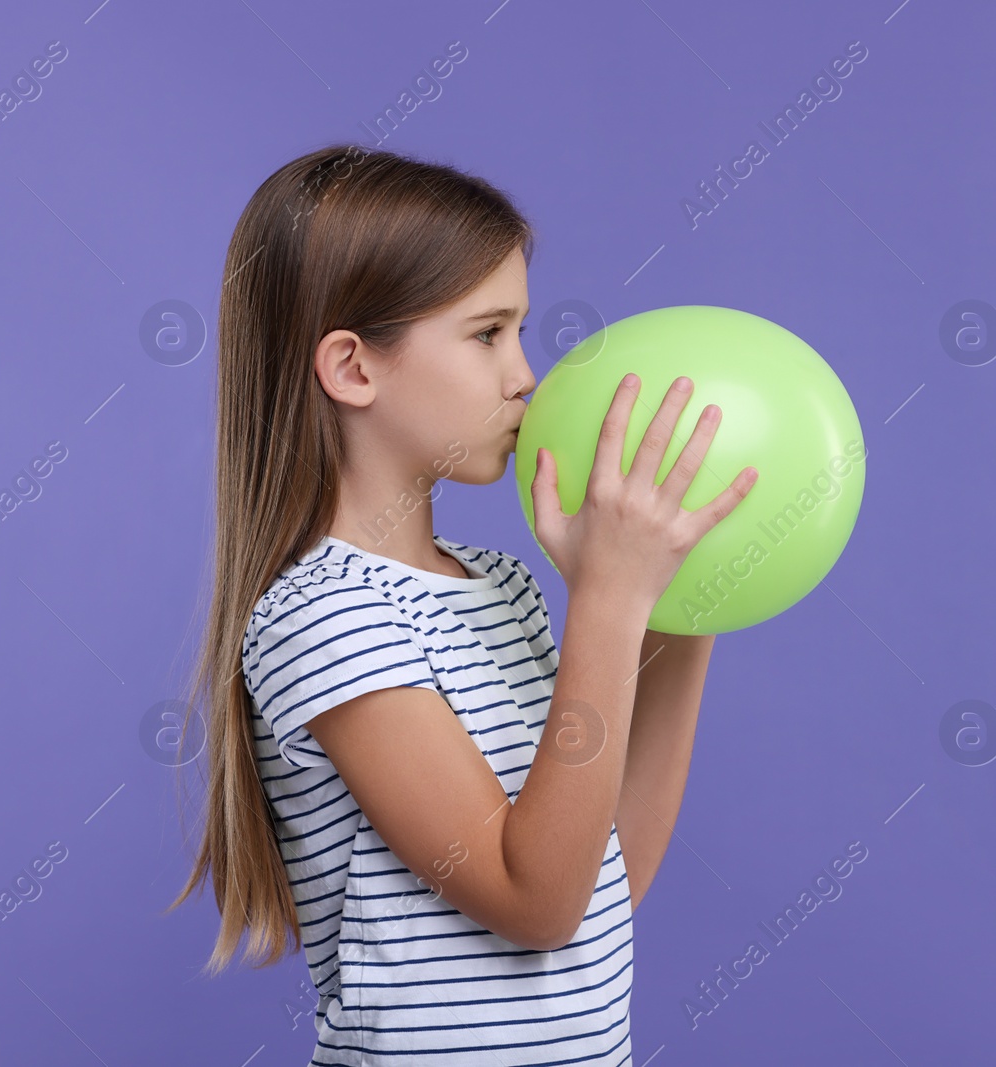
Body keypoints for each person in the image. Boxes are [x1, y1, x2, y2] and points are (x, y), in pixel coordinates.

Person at [168, 143, 757, 1064]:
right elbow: (536, 902)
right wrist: (606, 600)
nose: (525, 376)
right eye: (488, 334)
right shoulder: (324, 618)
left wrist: (678, 610)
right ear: (353, 369)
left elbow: (603, 878)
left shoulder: (500, 586)